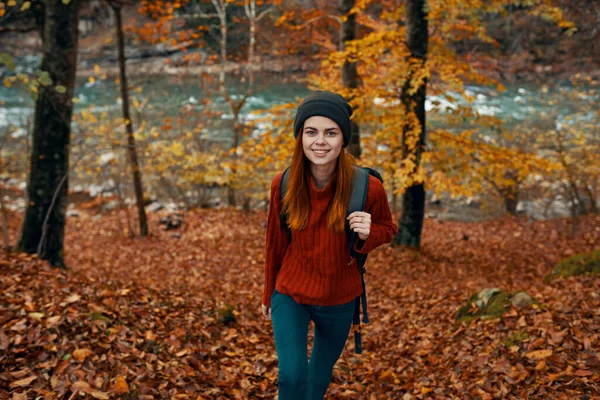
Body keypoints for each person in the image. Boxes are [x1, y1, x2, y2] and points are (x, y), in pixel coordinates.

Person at [261, 90, 397, 400]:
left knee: (317, 380)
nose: (320, 141)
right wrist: (268, 294)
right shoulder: (283, 183)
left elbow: (389, 228)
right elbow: (274, 243)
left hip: (340, 296)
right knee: (291, 376)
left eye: (330, 133)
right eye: (311, 132)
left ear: (342, 139)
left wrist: (369, 234)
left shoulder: (368, 186)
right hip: (291, 292)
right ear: (301, 136)